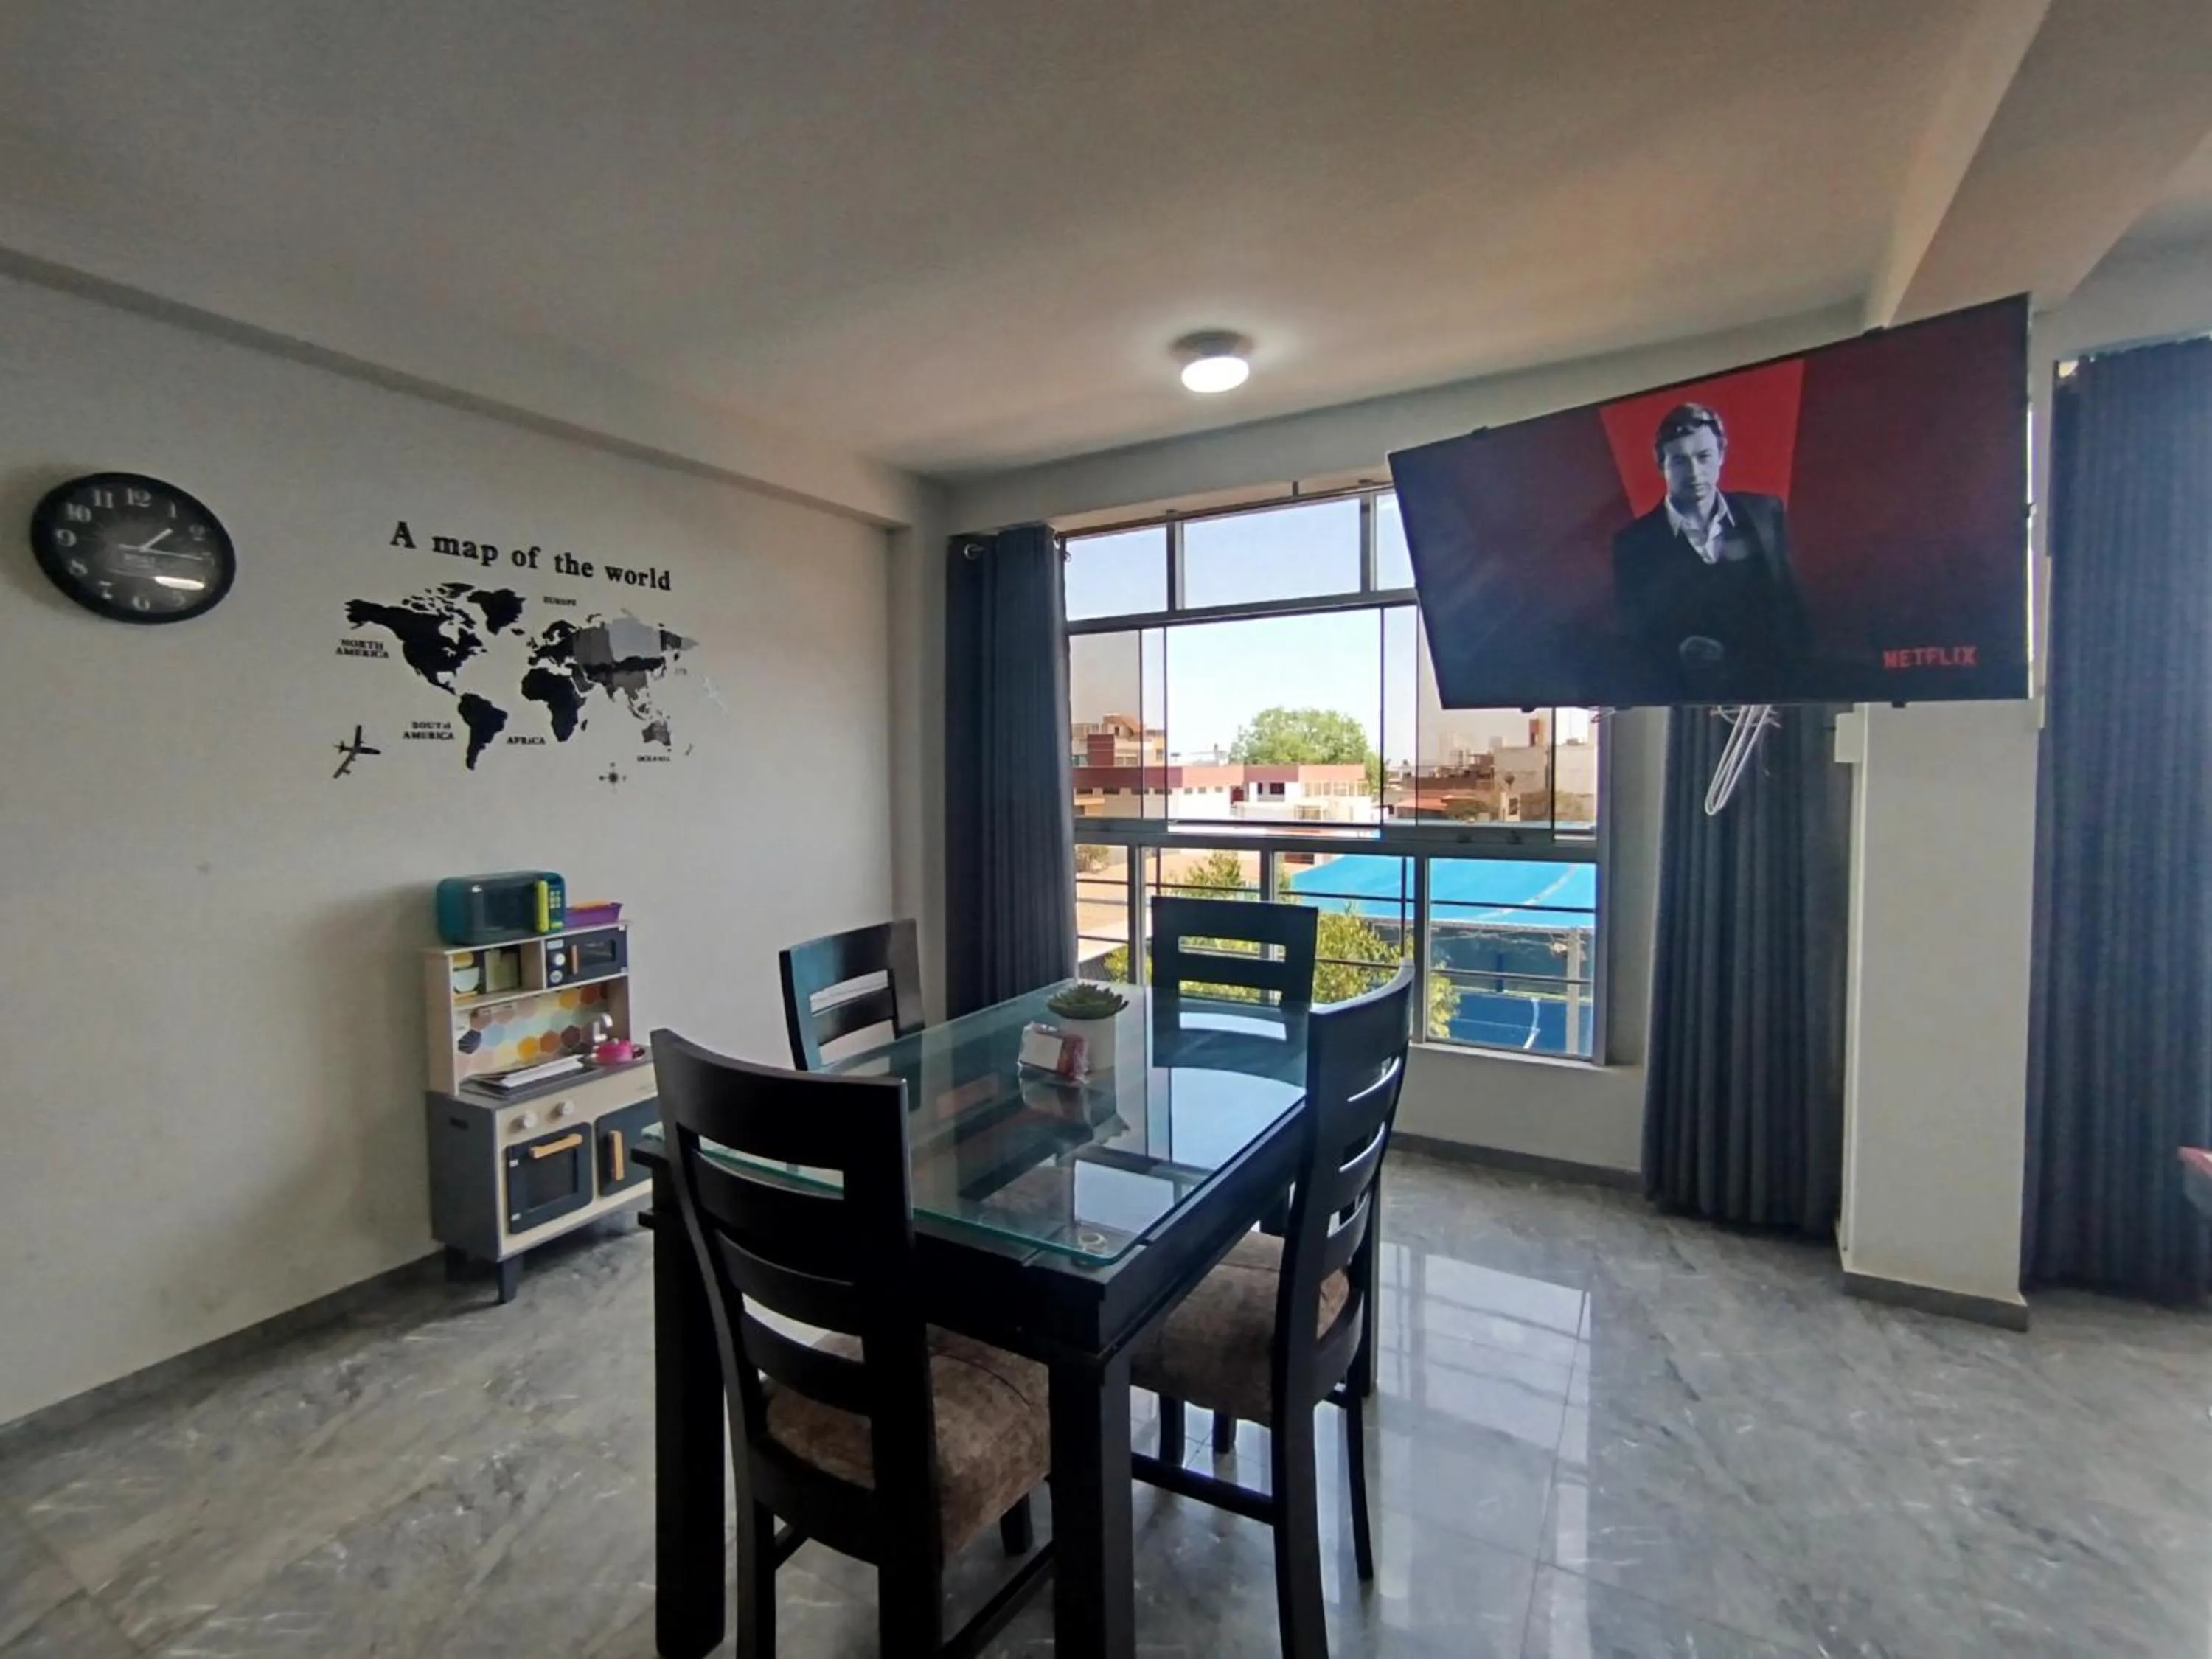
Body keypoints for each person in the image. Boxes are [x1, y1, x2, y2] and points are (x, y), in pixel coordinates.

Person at [1611, 402, 1804, 700]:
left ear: (1721, 456)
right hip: (1677, 692)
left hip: (1766, 687)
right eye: (1679, 461)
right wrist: (1677, 652)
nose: (1694, 472)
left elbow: (1789, 610)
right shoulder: (1633, 543)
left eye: (1704, 457)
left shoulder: (1765, 514)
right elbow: (1631, 641)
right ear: (1661, 465)